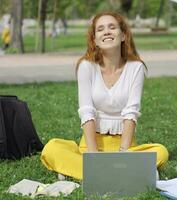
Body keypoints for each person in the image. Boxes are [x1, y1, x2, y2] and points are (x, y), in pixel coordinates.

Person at [41, 11, 169, 180]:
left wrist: (123, 155)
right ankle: (121, 172)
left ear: (123, 35)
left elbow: (132, 112)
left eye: (112, 27)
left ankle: (86, 172)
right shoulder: (86, 66)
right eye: (100, 29)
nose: (106, 32)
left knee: (161, 152)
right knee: (52, 148)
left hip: (124, 145)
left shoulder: (136, 67)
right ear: (95, 39)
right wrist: (93, 157)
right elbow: (87, 111)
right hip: (91, 144)